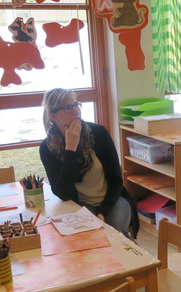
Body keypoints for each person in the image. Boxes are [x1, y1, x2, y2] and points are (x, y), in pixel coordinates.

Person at [39, 88, 138, 238]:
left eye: (76, 104)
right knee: (90, 236)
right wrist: (70, 149)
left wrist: (102, 212)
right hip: (80, 204)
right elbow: (63, 193)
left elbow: (116, 180)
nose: (76, 111)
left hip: (112, 200)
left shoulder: (98, 133)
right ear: (53, 115)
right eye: (68, 108)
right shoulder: (48, 148)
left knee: (116, 233)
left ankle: (136, 254)